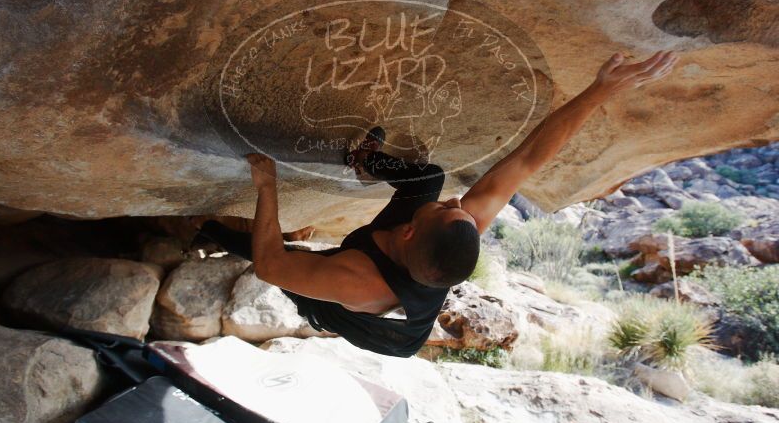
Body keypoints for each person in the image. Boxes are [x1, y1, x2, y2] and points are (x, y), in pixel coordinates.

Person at [197, 51, 678, 357]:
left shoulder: (356, 284)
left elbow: (269, 263)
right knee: (428, 176)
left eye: (446, 209)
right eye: (458, 210)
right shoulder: (456, 232)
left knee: (294, 264)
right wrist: (601, 90)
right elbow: (529, 159)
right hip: (397, 259)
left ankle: (206, 233)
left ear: (409, 231)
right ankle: (362, 160)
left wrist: (267, 185)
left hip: (366, 317)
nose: (454, 202)